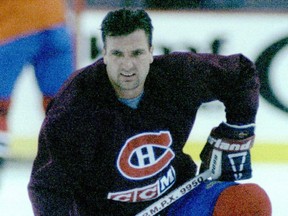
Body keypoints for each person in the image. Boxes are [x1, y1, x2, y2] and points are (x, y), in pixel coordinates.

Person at [28, 8, 271, 216]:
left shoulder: (176, 76)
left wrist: (237, 129)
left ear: (151, 51)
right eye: (117, 54)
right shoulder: (75, 108)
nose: (127, 65)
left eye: (137, 53)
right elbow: (47, 189)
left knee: (250, 202)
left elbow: (241, 74)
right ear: (104, 54)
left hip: (178, 198)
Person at [0, 0, 74, 166]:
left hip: (11, 28)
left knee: (60, 106)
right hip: (53, 21)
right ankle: (68, 162)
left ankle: (68, 161)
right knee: (60, 105)